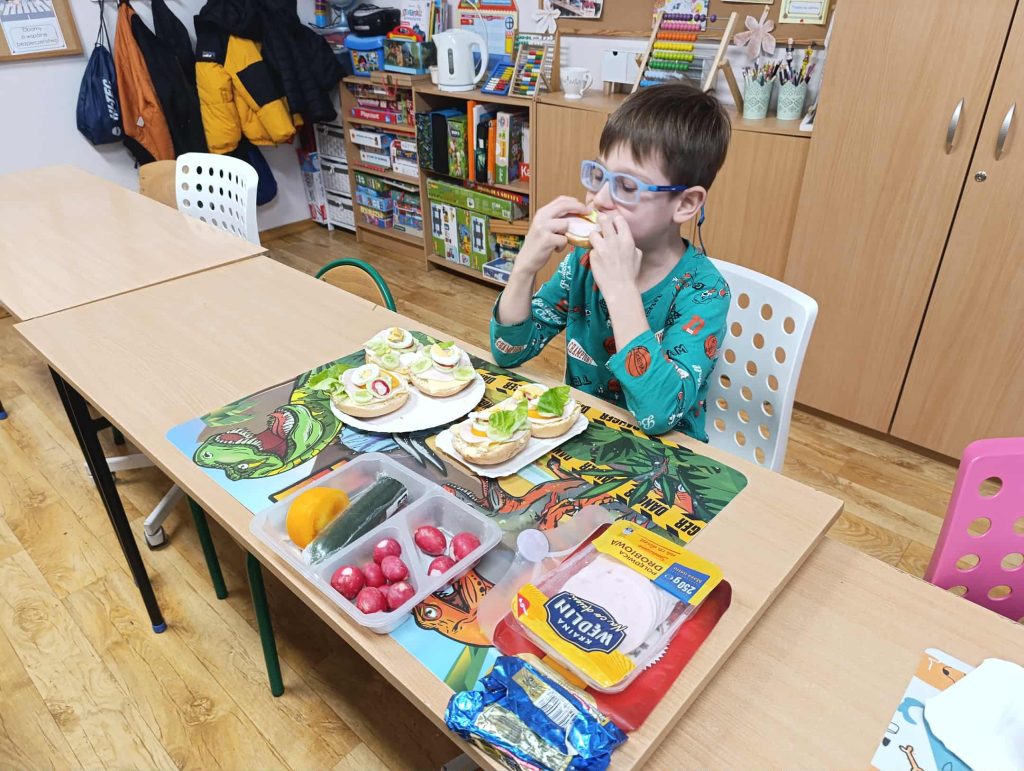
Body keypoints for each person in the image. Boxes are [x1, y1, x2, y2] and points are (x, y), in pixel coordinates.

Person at [490, 81, 731, 439]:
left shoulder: (705, 291)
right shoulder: (583, 260)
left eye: (628, 187)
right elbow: (509, 351)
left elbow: (660, 415)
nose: (599, 198)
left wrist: (621, 291)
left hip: (667, 456)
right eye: (600, 175)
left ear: (685, 204)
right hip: (583, 435)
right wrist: (525, 266)